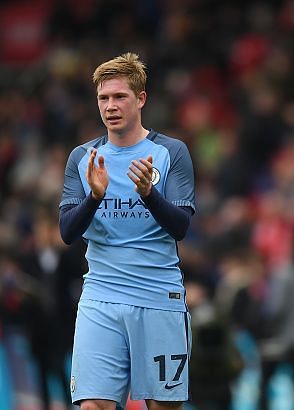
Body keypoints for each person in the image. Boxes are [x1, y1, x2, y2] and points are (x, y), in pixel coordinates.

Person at [59, 53, 196, 410]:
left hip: (157, 296)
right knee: (92, 407)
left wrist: (149, 195)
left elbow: (180, 227)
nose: (111, 106)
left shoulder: (170, 153)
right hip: (101, 297)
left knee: (163, 407)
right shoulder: (83, 158)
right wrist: (94, 197)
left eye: (120, 96)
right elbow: (67, 232)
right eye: (104, 98)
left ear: (141, 99)